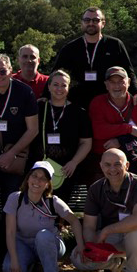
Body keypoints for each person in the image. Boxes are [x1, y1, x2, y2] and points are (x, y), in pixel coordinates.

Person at [72, 149, 137, 272]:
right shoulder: (95, 189)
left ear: (126, 166)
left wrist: (107, 230)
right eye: (107, 165)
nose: (112, 169)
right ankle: (115, 264)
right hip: (112, 238)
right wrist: (91, 247)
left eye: (117, 164)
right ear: (101, 166)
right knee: (78, 258)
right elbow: (89, 226)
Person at [0, 54, 38, 248]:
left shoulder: (24, 92)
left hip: (15, 160)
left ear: (11, 70)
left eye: (3, 71)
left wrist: (11, 153)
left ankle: (8, 252)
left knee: (10, 207)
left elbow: (33, 129)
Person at [1, 161, 84, 272]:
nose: (37, 181)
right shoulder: (15, 198)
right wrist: (14, 261)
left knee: (43, 236)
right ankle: (31, 270)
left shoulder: (53, 201)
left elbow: (74, 220)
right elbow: (10, 232)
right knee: (8, 269)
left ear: (47, 184)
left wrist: (80, 246)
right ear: (28, 178)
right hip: (23, 243)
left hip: (50, 243)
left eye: (43, 179)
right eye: (34, 176)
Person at [52, 7, 137, 111]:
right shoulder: (70, 48)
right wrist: (45, 95)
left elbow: (129, 72)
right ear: (82, 23)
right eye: (87, 20)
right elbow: (55, 74)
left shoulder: (115, 45)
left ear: (103, 23)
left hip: (108, 103)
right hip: (77, 104)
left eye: (96, 20)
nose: (91, 23)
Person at [28, 69, 93, 203]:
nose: (59, 88)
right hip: (39, 166)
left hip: (65, 169)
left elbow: (86, 142)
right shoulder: (39, 107)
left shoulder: (78, 113)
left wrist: (74, 162)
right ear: (49, 86)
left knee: (58, 207)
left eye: (64, 85)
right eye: (56, 84)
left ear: (69, 88)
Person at [88, 66, 137, 190]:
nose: (116, 86)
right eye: (112, 82)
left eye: (121, 82)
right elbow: (98, 132)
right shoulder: (98, 103)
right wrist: (130, 130)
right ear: (106, 85)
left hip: (132, 163)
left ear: (129, 82)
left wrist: (120, 141)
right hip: (103, 162)